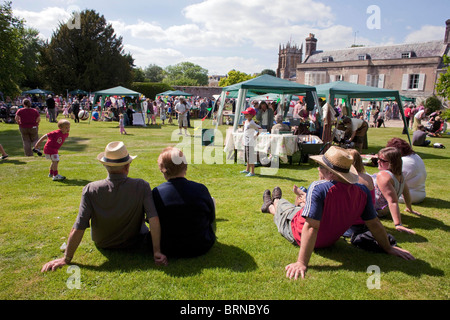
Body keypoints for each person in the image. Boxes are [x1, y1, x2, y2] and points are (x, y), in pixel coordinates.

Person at [260, 146, 415, 280]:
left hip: (299, 231)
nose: (318, 169)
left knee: (283, 210)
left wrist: (301, 262)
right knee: (294, 209)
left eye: (320, 166)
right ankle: (273, 203)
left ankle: (273, 205)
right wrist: (388, 247)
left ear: (330, 173)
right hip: (330, 239)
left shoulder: (319, 187)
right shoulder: (362, 190)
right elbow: (374, 223)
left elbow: (311, 227)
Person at [41, 141, 168, 272]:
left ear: (105, 166)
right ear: (127, 166)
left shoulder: (91, 189)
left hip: (104, 243)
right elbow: (153, 218)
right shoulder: (141, 186)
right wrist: (157, 251)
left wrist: (66, 258)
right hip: (135, 241)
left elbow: (79, 226)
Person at [152, 147, 216, 257]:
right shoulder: (200, 189)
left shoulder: (156, 193)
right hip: (201, 245)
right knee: (212, 201)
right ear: (185, 167)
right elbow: (210, 216)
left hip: (168, 247)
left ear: (162, 169)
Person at [372, 147, 421, 234]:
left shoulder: (383, 175)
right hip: (384, 210)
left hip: (376, 210)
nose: (378, 161)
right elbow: (406, 192)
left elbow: (393, 201)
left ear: (392, 163)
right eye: (378, 158)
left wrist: (398, 224)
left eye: (382, 160)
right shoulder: (400, 175)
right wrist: (409, 208)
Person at [386, 138, 427, 204]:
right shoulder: (416, 156)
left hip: (408, 196)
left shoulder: (403, 161)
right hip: (421, 193)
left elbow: (389, 180)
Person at [240, 107, 261, 177]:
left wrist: (255, 136)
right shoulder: (246, 122)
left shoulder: (252, 123)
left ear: (251, 115)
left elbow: (260, 129)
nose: (245, 115)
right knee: (247, 156)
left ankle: (252, 172)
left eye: (247, 114)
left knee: (250, 157)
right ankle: (247, 169)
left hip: (250, 142)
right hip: (246, 141)